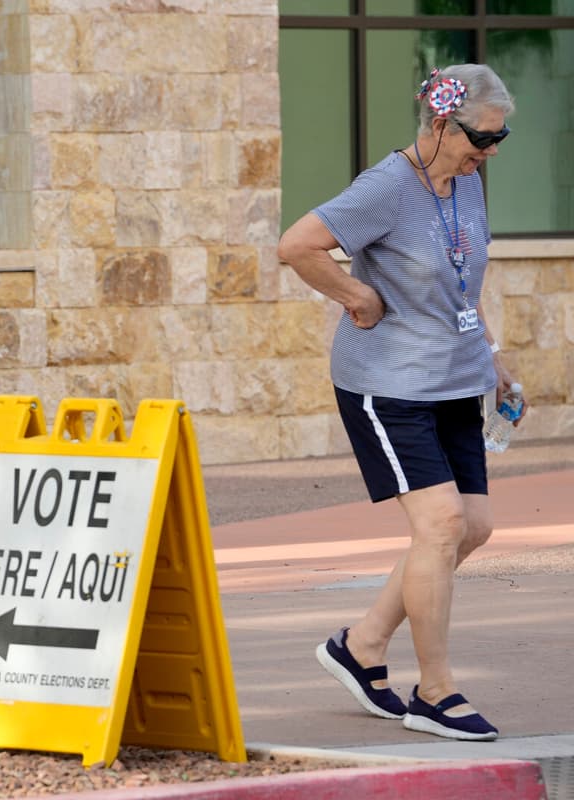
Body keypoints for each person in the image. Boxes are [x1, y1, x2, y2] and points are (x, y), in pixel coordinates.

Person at [277, 64, 525, 742]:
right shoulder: (386, 187)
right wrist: (356, 296)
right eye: (483, 136)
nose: (492, 150)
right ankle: (436, 691)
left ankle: (360, 647)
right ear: (442, 123)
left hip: (453, 379)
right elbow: (296, 245)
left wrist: (493, 357)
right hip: (388, 386)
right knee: (440, 524)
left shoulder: (467, 182)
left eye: (502, 137)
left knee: (470, 527)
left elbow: (459, 279)